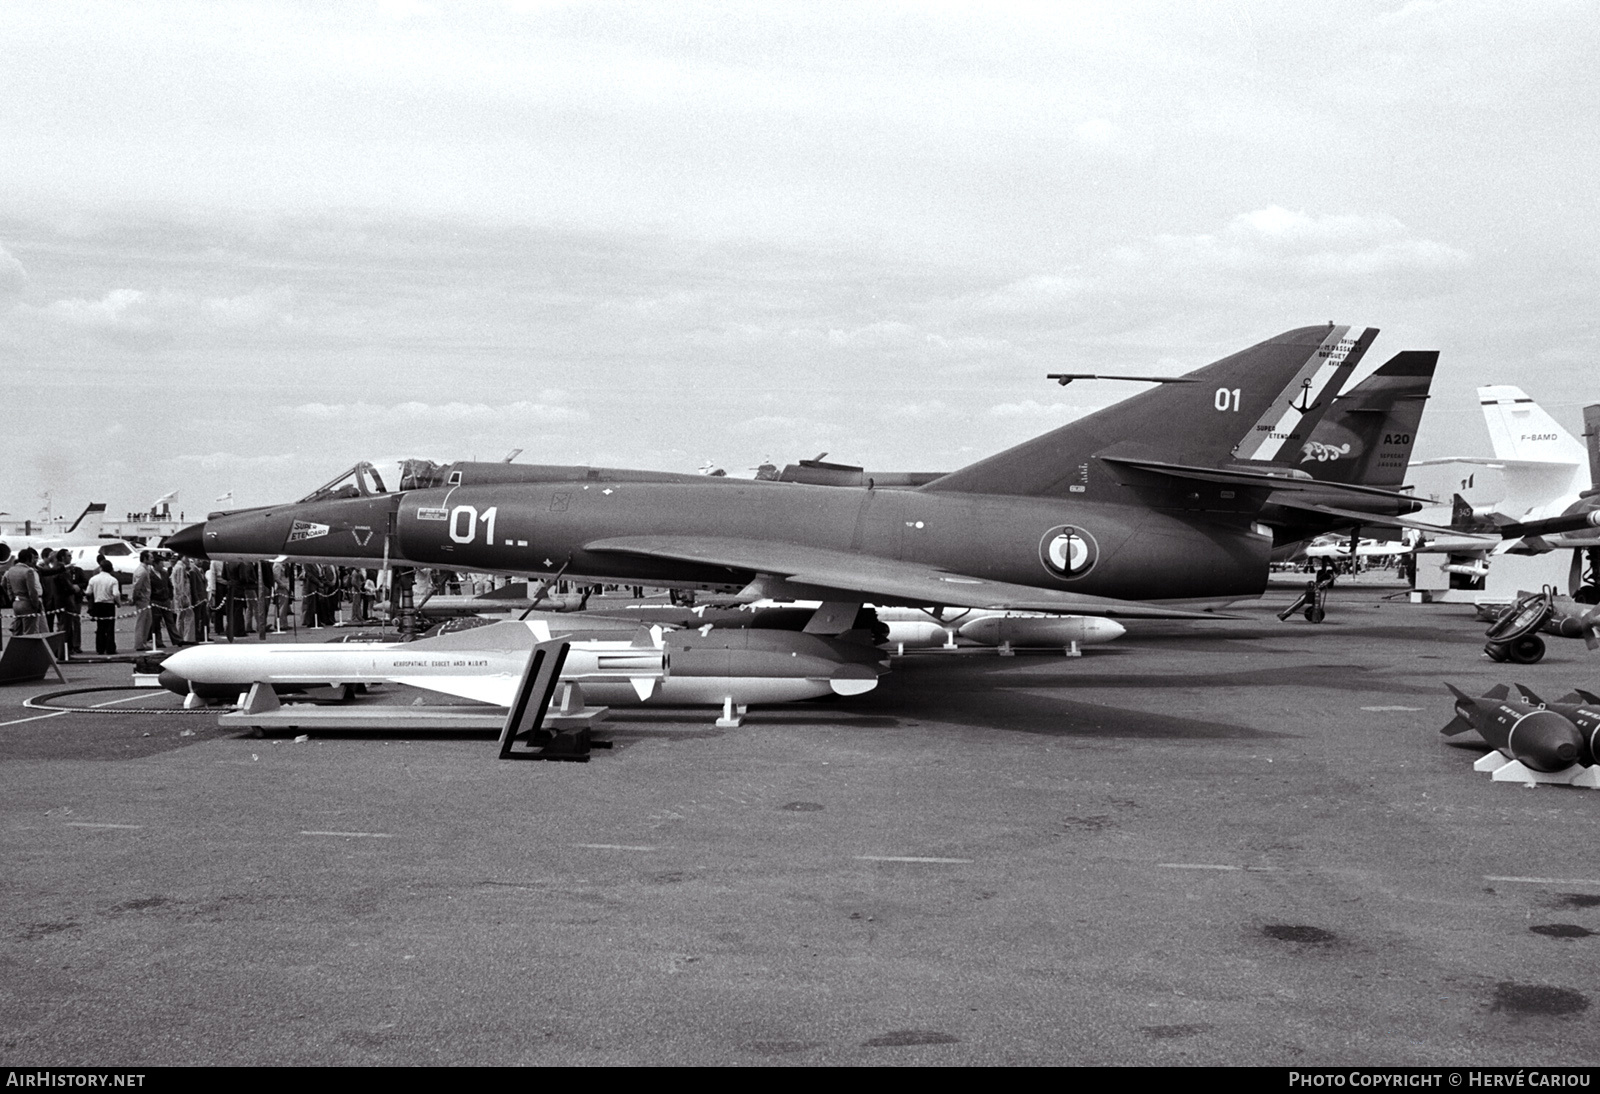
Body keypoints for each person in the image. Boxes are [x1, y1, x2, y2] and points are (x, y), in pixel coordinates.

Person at [3, 548, 45, 636]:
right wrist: (36, 604)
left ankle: (16, 649)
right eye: (32, 558)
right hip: (27, 603)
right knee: (30, 632)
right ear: (27, 559)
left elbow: (8, 588)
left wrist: (13, 599)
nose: (33, 561)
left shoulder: (11, 570)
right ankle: (29, 649)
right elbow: (32, 591)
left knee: (17, 631)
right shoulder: (28, 571)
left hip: (16, 603)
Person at [87, 558, 120, 654]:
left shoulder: (93, 579)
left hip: (98, 604)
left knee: (100, 627)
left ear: (101, 568)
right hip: (109, 604)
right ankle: (110, 648)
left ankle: (100, 648)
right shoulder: (113, 580)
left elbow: (88, 592)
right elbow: (116, 594)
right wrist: (118, 603)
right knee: (110, 627)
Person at [131, 551, 154, 651]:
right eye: (151, 557)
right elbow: (137, 586)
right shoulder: (142, 571)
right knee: (142, 621)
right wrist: (135, 597)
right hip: (142, 599)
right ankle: (139, 644)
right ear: (145, 558)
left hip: (145, 598)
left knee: (147, 620)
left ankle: (143, 642)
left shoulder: (145, 569)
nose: (153, 559)